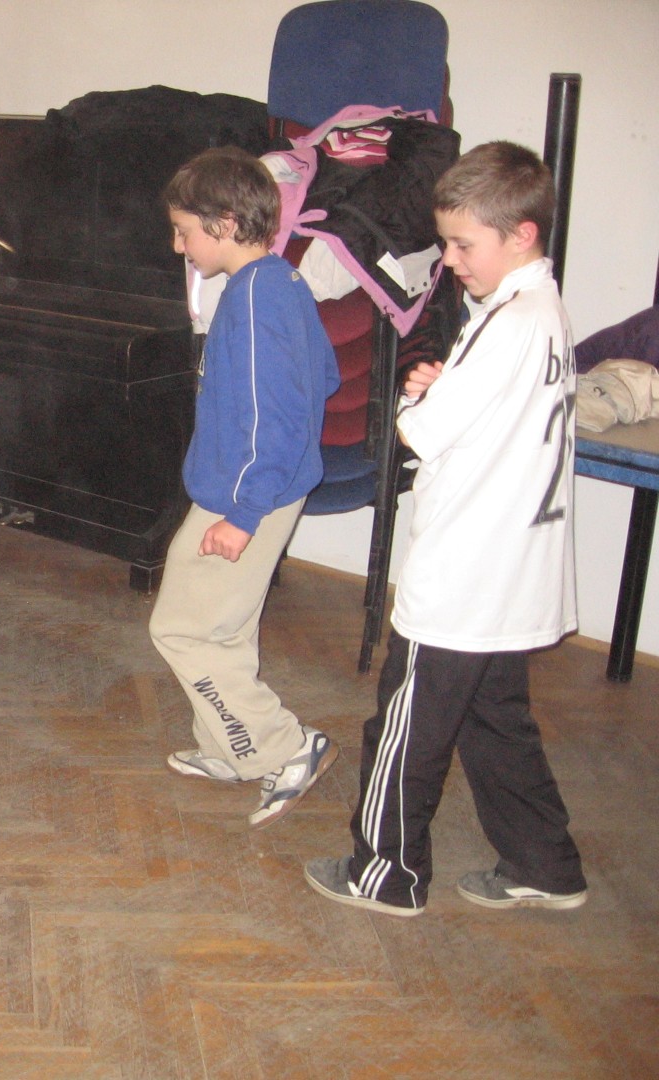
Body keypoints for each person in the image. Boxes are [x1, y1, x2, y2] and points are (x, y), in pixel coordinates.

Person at [305, 141, 587, 916]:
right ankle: (545, 864)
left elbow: (421, 433)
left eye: (463, 245)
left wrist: (414, 398)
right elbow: (484, 412)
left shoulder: (510, 323)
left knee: (406, 724)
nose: (451, 261)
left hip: (467, 573)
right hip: (510, 570)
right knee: (495, 720)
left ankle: (386, 874)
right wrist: (445, 387)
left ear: (521, 234)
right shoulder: (541, 313)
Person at [151, 146, 340, 829]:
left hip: (242, 500)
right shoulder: (283, 282)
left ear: (226, 224)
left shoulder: (254, 298)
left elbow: (274, 415)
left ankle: (284, 748)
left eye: (185, 232)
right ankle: (228, 749)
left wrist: (245, 511)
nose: (179, 246)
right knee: (222, 630)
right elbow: (324, 378)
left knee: (180, 629)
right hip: (258, 490)